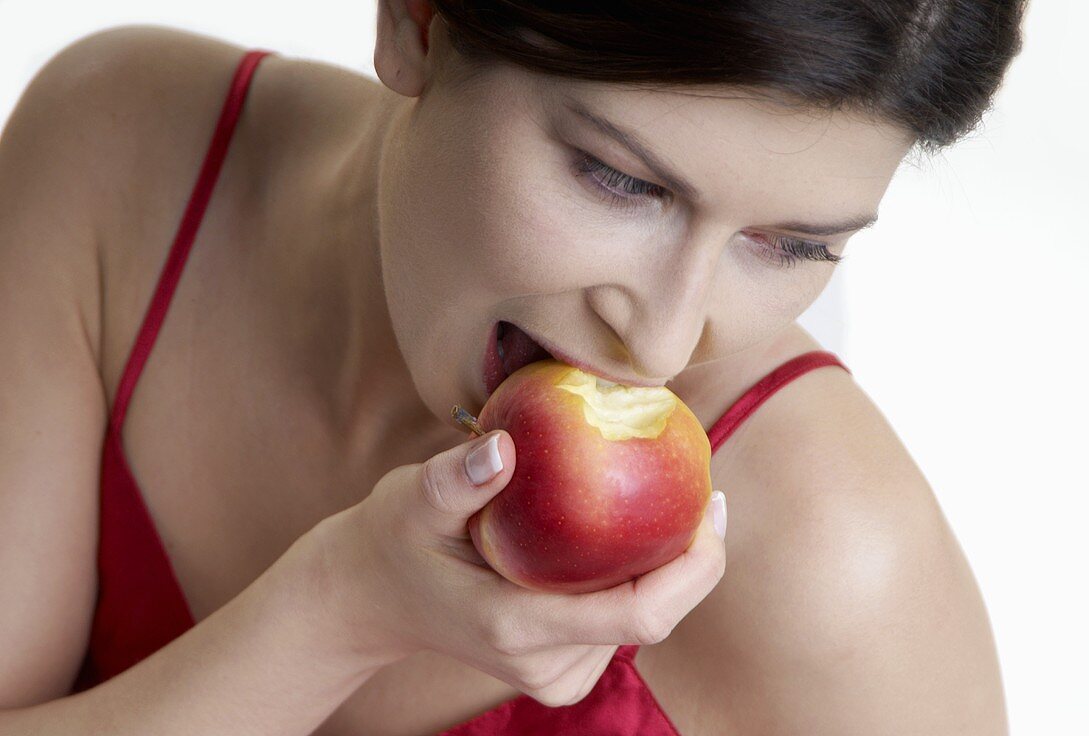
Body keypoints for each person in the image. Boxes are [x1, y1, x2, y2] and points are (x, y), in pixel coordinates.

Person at [0, 1, 1026, 733]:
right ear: (418, 21)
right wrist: (328, 615)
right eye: (620, 179)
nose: (663, 345)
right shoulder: (121, 159)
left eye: (790, 246)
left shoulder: (836, 566)